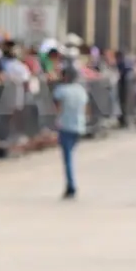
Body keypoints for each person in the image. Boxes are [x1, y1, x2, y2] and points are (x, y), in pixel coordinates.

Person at [52, 65, 88, 199]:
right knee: (70, 156)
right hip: (78, 125)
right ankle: (70, 183)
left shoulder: (61, 90)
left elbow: (57, 107)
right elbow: (85, 108)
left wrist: (55, 121)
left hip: (65, 125)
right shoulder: (80, 90)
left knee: (67, 159)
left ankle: (71, 185)